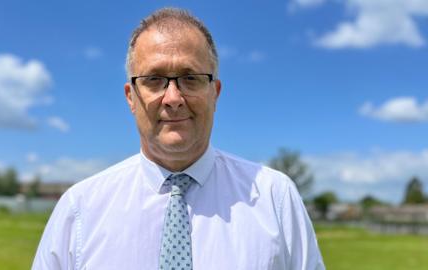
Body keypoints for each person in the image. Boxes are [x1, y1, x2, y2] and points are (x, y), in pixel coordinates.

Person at [32, 7, 325, 270]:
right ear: (130, 97)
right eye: (153, 80)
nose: (173, 98)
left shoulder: (275, 198)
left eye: (191, 78)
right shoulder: (80, 209)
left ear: (215, 92)